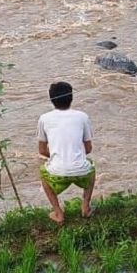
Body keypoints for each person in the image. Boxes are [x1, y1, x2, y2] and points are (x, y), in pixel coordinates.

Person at [37, 82, 96, 224]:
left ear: (51, 100)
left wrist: (58, 154)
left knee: (42, 172)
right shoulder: (82, 117)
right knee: (92, 167)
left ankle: (58, 212)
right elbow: (88, 149)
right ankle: (86, 207)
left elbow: (42, 151)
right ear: (71, 98)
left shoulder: (44, 119)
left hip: (57, 175)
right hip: (82, 173)